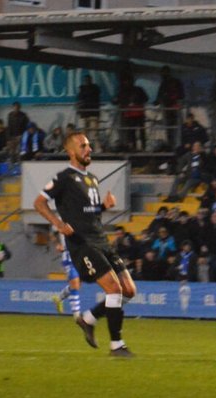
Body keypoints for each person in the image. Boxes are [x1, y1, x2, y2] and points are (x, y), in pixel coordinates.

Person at [33, 131, 138, 357]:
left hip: (101, 239)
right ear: (71, 152)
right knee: (114, 288)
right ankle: (117, 346)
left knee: (129, 290)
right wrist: (58, 223)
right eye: (83, 146)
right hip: (82, 244)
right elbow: (39, 203)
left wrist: (104, 207)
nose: (89, 149)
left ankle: (88, 319)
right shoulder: (64, 178)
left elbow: (87, 213)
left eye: (89, 145)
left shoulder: (92, 178)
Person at [52, 230, 83, 320]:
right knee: (75, 283)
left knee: (77, 285)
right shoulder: (63, 219)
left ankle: (58, 298)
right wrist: (58, 244)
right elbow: (53, 233)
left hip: (80, 255)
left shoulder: (82, 220)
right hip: (69, 256)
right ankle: (77, 315)